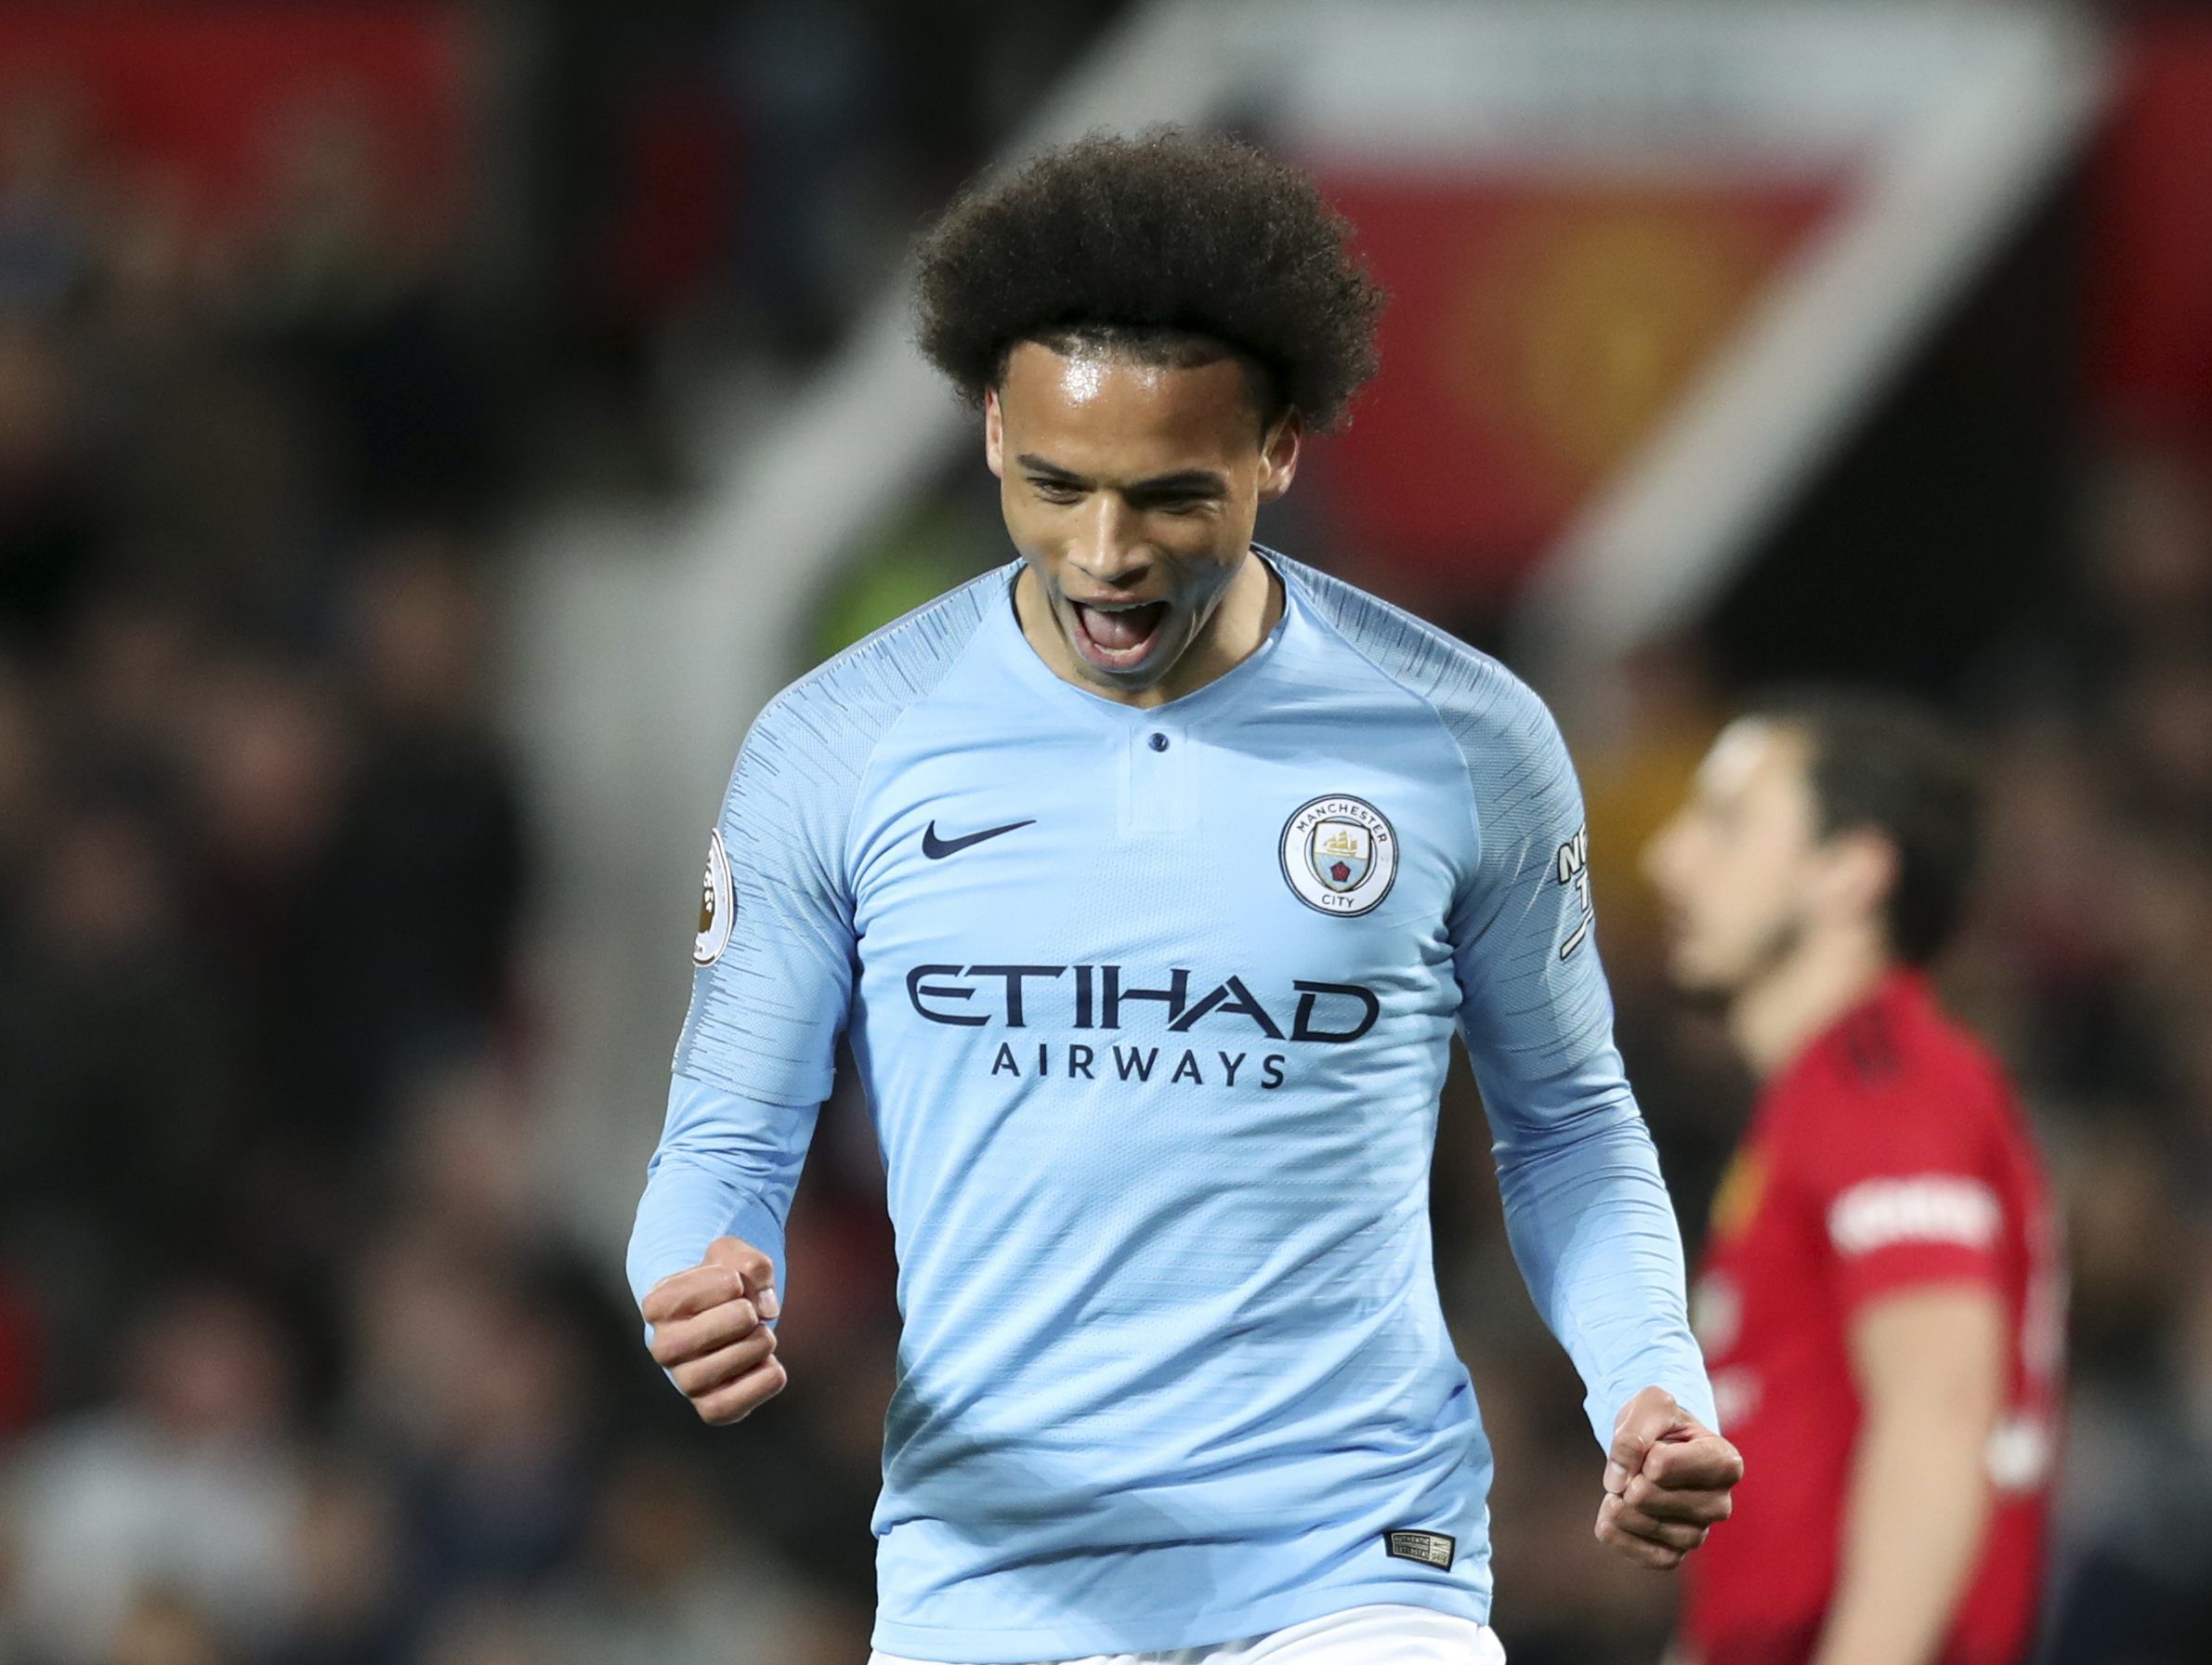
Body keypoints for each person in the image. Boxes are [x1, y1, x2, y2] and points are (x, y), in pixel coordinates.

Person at [627, 129, 1740, 1665]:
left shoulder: (1460, 739)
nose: (1105, 555)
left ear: (1277, 447)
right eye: (1054, 485)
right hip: (992, 1576)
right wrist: (691, 1275)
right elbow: (724, 1144)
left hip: (1355, 1557)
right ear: (987, 426)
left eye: (1167, 495)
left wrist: (1646, 1376)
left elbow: (1563, 1127)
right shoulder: (838, 741)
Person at [1643, 693, 2061, 1665]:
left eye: (1727, 824)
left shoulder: (1878, 1082)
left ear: (1850, 872)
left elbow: (1938, 1408)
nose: (1669, 858)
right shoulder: (1828, 1099)